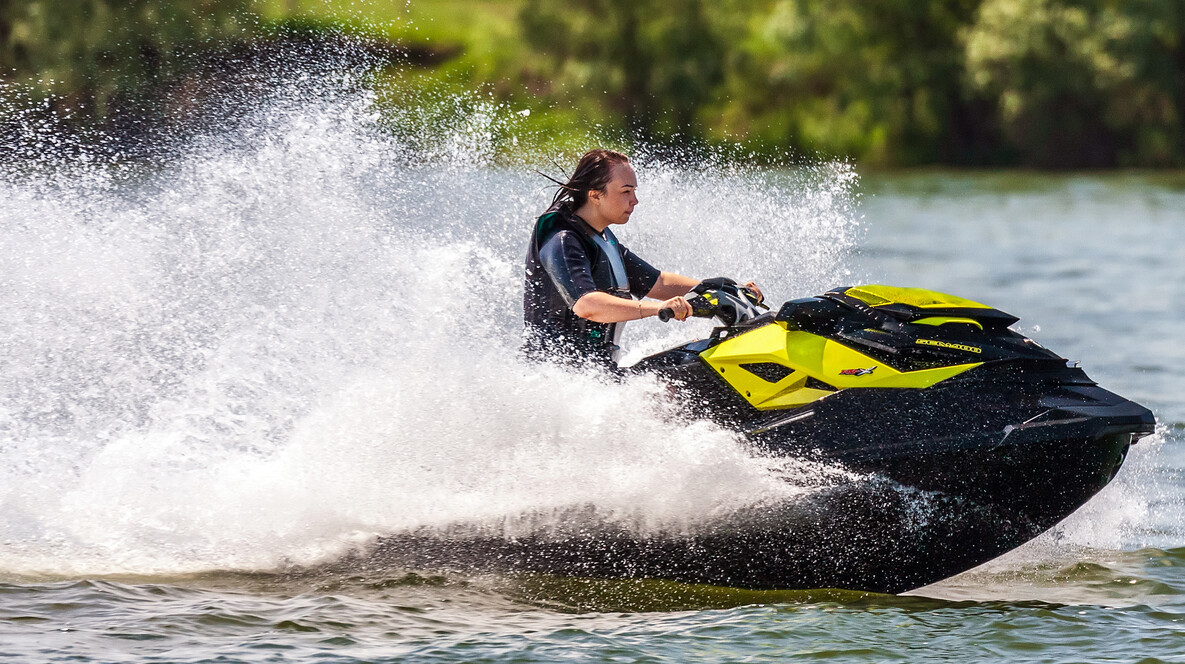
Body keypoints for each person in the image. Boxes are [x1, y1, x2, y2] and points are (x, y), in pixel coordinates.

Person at [523, 149, 762, 369]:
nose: (634, 201)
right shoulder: (562, 240)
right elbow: (588, 305)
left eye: (634, 192)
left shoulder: (604, 241)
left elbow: (658, 283)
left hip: (600, 375)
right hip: (563, 379)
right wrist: (659, 308)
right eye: (626, 191)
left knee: (698, 358)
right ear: (595, 195)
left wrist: (728, 290)